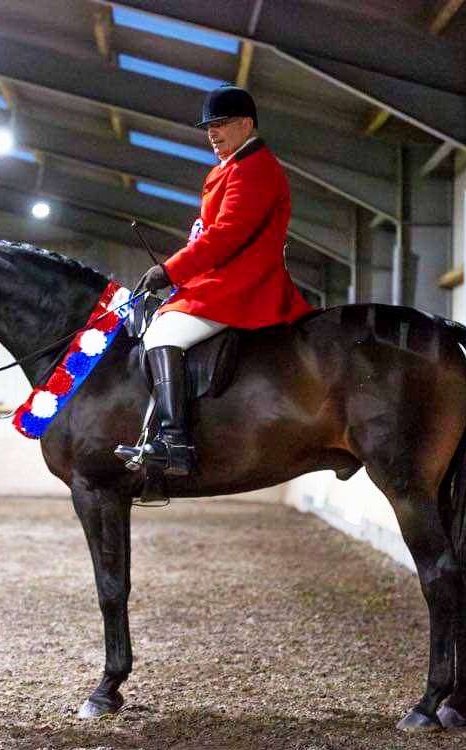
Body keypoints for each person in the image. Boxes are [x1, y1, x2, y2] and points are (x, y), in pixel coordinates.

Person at [114, 84, 316, 477]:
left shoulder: (254, 168)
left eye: (221, 124)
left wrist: (170, 270)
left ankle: (175, 441)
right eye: (209, 126)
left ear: (246, 124)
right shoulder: (228, 168)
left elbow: (225, 235)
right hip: (220, 278)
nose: (212, 132)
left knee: (162, 335)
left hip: (242, 283)